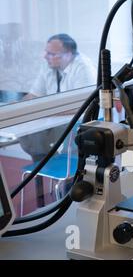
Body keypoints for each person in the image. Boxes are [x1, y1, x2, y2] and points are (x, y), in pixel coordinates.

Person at [18, 34, 96, 207]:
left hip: (79, 127)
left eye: (52, 54)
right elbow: (34, 95)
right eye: (46, 52)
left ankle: (68, 191)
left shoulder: (83, 68)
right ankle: (44, 186)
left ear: (69, 54)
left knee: (55, 146)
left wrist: (45, 111)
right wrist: (18, 110)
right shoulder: (49, 66)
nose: (46, 57)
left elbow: (84, 105)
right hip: (57, 123)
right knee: (31, 139)